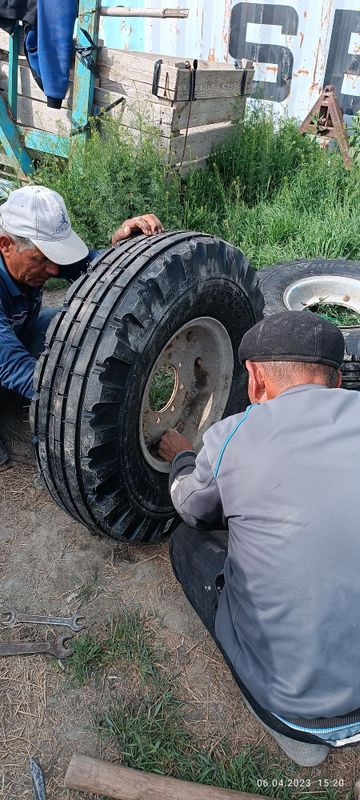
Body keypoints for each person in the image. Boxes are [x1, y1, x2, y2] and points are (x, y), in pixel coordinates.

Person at [159, 310, 360, 767]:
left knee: (188, 543)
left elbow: (192, 508)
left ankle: (300, 734)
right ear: (337, 380)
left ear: (254, 379)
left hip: (300, 709)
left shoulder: (233, 433)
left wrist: (184, 459)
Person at [0, 184, 163, 466]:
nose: (53, 270)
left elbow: (93, 270)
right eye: (40, 260)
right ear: (5, 245)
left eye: (55, 258)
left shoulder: (34, 254)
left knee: (62, 324)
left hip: (16, 333)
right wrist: (73, 402)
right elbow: (10, 363)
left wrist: (124, 250)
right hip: (4, 352)